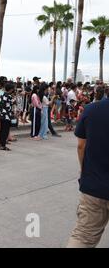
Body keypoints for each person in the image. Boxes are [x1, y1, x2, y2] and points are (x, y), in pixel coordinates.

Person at [67, 96, 109, 248]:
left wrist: (84, 171)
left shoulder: (91, 109)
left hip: (94, 186)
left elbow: (81, 146)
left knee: (83, 236)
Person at [0, 82, 15, 151]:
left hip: (2, 115)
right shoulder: (9, 96)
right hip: (7, 115)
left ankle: (0, 143)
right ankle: (3, 145)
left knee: (2, 130)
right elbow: (9, 106)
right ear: (11, 89)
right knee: (5, 131)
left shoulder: (2, 95)